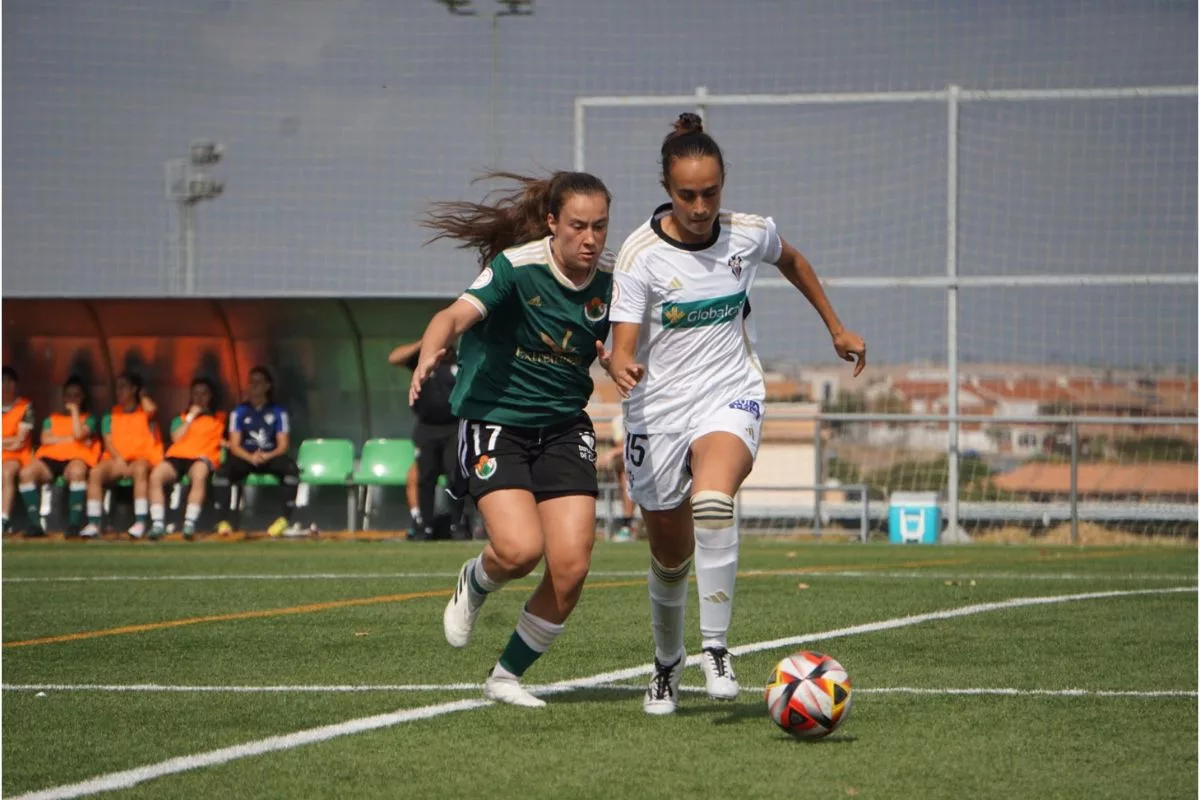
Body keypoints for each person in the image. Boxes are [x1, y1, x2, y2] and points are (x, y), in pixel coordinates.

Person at [606, 113, 866, 715]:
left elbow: (793, 261)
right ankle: (667, 665)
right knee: (670, 557)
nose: (700, 206)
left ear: (724, 184)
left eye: (711, 192)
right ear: (668, 191)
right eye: (687, 195)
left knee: (714, 502)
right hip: (658, 410)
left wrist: (836, 327)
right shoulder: (641, 257)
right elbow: (623, 343)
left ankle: (717, 650)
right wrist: (621, 365)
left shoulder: (748, 234)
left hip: (729, 391)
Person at [412, 170, 614, 707]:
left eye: (599, 227)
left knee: (570, 568)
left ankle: (505, 677)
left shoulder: (610, 285)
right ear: (552, 223)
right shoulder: (516, 268)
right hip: (496, 420)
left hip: (565, 426)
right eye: (577, 226)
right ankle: (476, 581)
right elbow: (454, 314)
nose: (590, 239)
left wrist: (622, 361)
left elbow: (618, 345)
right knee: (521, 550)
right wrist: (433, 348)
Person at [389, 339, 467, 540]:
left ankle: (458, 525)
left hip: (454, 427)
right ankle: (424, 525)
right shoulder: (423, 358)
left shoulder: (461, 360)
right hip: (427, 428)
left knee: (456, 475)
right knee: (425, 477)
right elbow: (394, 358)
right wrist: (424, 343)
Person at [210, 366, 300, 537]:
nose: (253, 386)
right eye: (251, 383)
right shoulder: (239, 412)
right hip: (246, 456)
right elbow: (235, 445)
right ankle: (222, 521)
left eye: (258, 383)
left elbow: (283, 445)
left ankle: (284, 519)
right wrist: (250, 457)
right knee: (222, 472)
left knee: (291, 470)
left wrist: (267, 455)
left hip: (269, 456)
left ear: (267, 386)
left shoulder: (278, 412)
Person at [17, 375, 102, 538]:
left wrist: (75, 411)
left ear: (83, 397)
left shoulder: (89, 419)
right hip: (51, 458)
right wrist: (68, 439)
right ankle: (35, 525)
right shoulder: (52, 418)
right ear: (63, 397)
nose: (71, 399)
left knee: (77, 472)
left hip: (76, 458)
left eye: (76, 395)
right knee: (26, 473)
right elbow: (45, 438)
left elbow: (78, 434)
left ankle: (74, 524)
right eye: (68, 395)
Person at [84, 372, 163, 539]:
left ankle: (140, 522)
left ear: (133, 389)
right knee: (95, 473)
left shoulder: (144, 410)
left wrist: (141, 394)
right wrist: (119, 460)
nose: (119, 391)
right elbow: (108, 441)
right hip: (116, 460)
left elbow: (152, 409)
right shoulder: (110, 414)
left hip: (141, 458)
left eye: (123, 387)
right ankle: (94, 523)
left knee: (140, 469)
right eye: (117, 387)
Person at [148, 377, 226, 540]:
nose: (199, 398)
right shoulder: (181, 417)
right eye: (195, 394)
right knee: (156, 475)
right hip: (178, 456)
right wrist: (191, 417)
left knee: (199, 475)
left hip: (201, 457)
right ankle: (157, 524)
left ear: (211, 396)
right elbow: (176, 438)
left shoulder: (219, 417)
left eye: (204, 394)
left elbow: (225, 439)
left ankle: (189, 522)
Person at [2, 367, 35, 534]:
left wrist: (6, 442)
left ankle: (3, 518)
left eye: (9, 382)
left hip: (16, 456)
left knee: (6, 472)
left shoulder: (25, 407)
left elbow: (19, 441)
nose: (5, 386)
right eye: (2, 381)